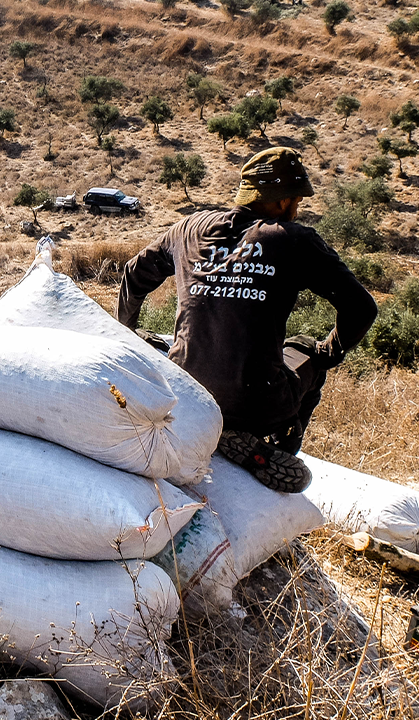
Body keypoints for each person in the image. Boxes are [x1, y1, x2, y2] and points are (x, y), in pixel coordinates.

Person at [116, 147, 377, 492]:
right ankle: (275, 446)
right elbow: (361, 308)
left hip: (183, 392)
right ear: (282, 201)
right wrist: (330, 352)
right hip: (257, 404)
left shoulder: (189, 229)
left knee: (157, 342)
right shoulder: (294, 240)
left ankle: (215, 428)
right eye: (297, 200)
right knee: (306, 351)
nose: (297, 209)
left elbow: (134, 274)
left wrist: (125, 335)